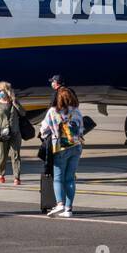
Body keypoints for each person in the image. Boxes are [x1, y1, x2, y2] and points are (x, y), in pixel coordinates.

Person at [40, 86, 85, 217]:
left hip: (61, 147)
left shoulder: (53, 112)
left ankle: (60, 203)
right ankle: (68, 209)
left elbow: (44, 130)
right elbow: (81, 129)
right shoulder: (77, 112)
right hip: (76, 147)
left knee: (58, 178)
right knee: (70, 178)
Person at [0, 81, 25, 185]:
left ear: (7, 91)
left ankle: (17, 177)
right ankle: (1, 174)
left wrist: (15, 102)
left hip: (15, 132)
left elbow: (23, 113)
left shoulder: (14, 102)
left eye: (1, 91)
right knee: (2, 155)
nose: (0, 93)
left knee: (16, 155)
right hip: (2, 134)